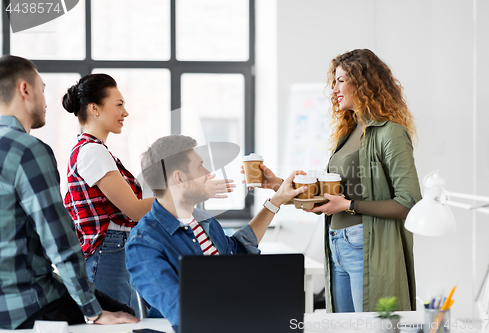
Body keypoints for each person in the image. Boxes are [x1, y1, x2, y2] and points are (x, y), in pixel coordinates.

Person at [249, 49, 421, 313]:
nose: (334, 89)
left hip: (366, 245)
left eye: (341, 80)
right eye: (334, 82)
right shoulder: (349, 132)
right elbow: (334, 195)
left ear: (365, 82)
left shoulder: (391, 133)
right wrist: (277, 183)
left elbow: (409, 203)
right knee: (341, 327)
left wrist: (349, 205)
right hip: (336, 244)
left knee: (368, 328)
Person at [62, 74, 235, 315]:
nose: (126, 113)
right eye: (119, 105)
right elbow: (133, 209)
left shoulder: (96, 151)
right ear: (94, 109)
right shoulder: (92, 152)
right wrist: (185, 190)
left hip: (113, 250)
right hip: (106, 252)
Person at [0, 55, 139, 329]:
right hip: (27, 299)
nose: (46, 99)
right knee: (125, 317)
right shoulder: (29, 151)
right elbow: (59, 240)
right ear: (25, 89)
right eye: (42, 88)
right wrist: (93, 311)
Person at [125, 134, 307, 332]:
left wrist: (276, 200)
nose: (207, 172)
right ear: (179, 178)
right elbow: (181, 310)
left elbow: (238, 250)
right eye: (200, 166)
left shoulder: (204, 221)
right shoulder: (143, 243)